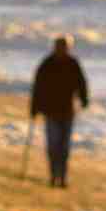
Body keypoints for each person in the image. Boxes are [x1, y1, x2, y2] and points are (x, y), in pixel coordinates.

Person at [29, 35, 89, 188]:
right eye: (59, 46)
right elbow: (38, 88)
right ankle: (53, 176)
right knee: (53, 146)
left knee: (65, 148)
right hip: (51, 112)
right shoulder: (47, 64)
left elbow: (81, 83)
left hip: (68, 112)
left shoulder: (73, 63)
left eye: (64, 47)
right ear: (55, 47)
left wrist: (84, 99)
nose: (62, 50)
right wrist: (34, 108)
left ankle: (62, 178)